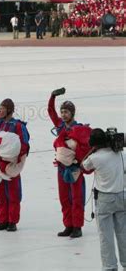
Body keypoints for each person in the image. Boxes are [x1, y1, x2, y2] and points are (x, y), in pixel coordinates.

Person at [0, 73, 30, 232]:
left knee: (13, 195)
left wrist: (15, 159)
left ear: (8, 110)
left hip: (11, 165)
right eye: (0, 108)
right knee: (2, 195)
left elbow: (24, 145)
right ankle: (3, 220)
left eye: (2, 108)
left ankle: (12, 222)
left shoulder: (18, 126)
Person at [49, 87, 92, 238]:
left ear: (72, 113)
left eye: (66, 112)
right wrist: (52, 97)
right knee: (64, 198)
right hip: (61, 168)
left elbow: (85, 148)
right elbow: (51, 112)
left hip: (75, 168)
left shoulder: (79, 128)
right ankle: (68, 225)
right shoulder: (60, 126)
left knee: (77, 198)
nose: (63, 114)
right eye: (62, 112)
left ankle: (77, 227)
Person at [82, 129, 125, 271]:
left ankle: (109, 266)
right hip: (122, 196)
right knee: (123, 233)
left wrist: (92, 152)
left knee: (106, 236)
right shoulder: (120, 154)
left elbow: (84, 166)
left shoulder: (95, 158)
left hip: (105, 199)